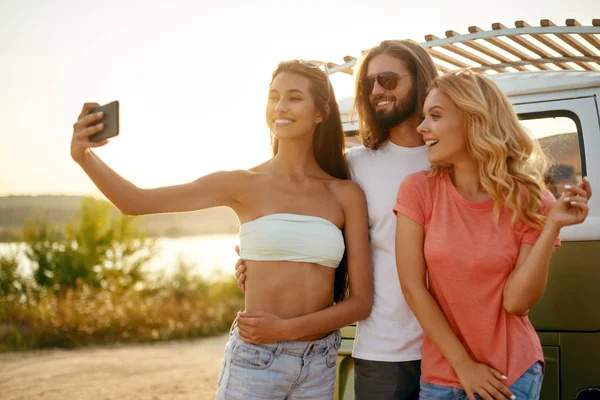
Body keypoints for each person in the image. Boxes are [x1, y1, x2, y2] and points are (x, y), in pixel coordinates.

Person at [70, 60, 373, 399]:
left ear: (321, 112)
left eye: (294, 97)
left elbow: (360, 302)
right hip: (256, 361)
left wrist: (286, 329)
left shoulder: (346, 193)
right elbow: (135, 202)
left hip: (319, 363)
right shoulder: (241, 184)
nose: (281, 106)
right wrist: (83, 157)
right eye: (274, 97)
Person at [236, 40, 439, 399]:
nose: (377, 91)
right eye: (369, 83)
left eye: (389, 79)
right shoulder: (354, 165)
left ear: (420, 80)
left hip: (455, 344)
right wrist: (257, 263)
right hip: (384, 348)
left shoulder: (450, 158)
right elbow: (301, 216)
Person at [393, 70, 592, 400]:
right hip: (444, 373)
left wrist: (551, 226)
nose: (421, 127)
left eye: (435, 116)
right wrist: (463, 365)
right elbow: (413, 287)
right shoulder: (419, 190)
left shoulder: (533, 200)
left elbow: (516, 302)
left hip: (510, 374)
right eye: (424, 116)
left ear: (475, 119)